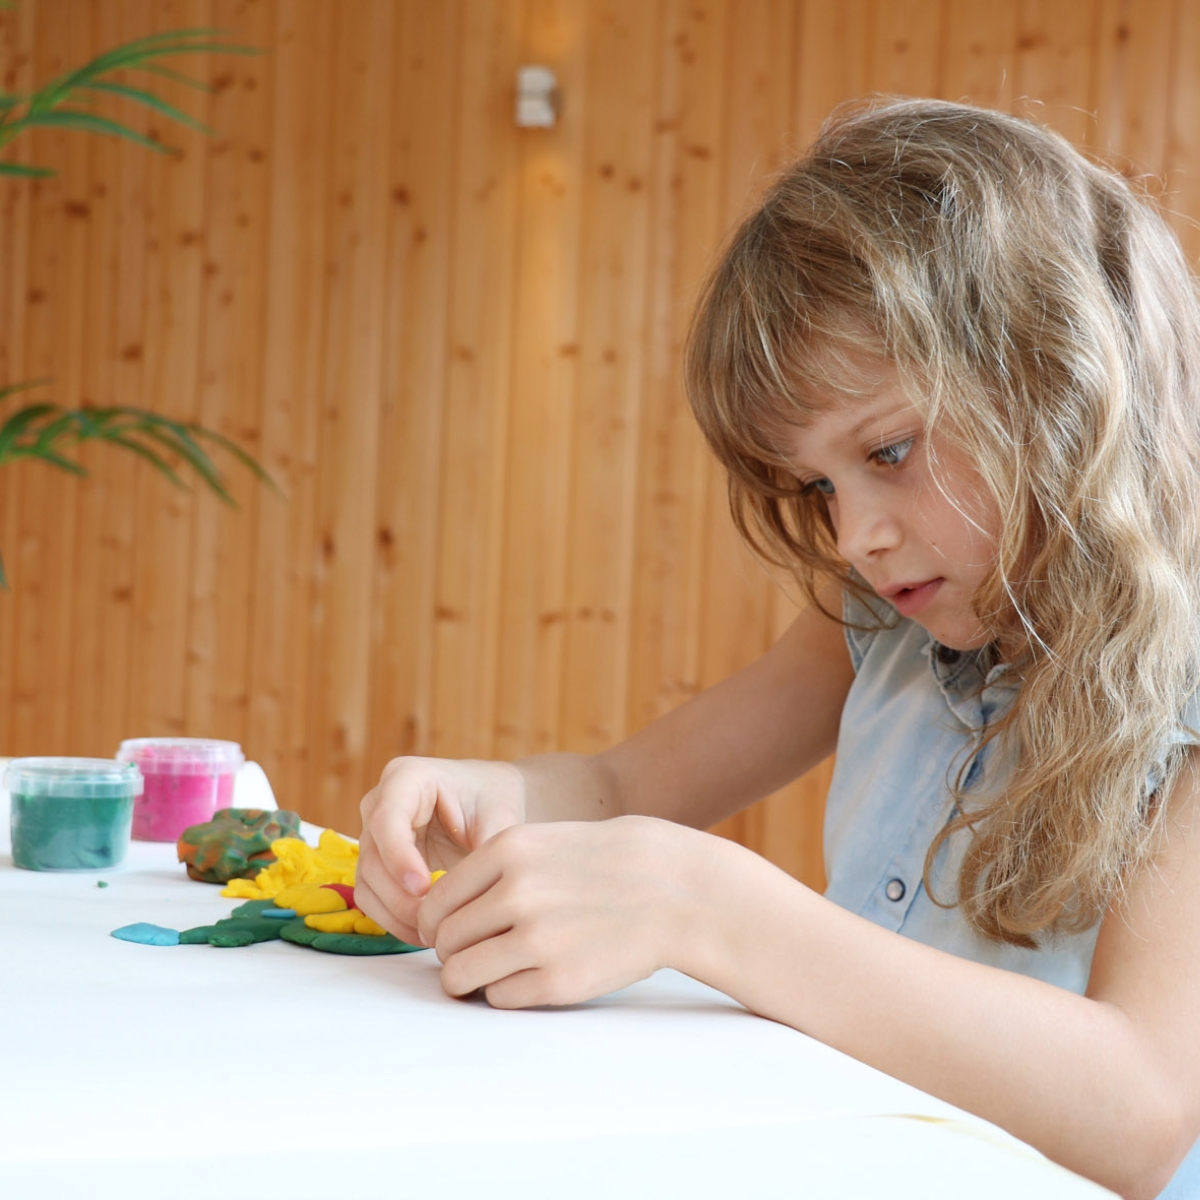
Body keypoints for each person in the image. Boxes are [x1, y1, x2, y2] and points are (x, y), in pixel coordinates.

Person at [354, 98, 1200, 1200]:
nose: (856, 535)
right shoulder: (882, 618)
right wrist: (491, 792)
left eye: (888, 451)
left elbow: (1140, 1110)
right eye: (818, 487)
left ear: (1058, 379)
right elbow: (622, 786)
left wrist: (710, 908)